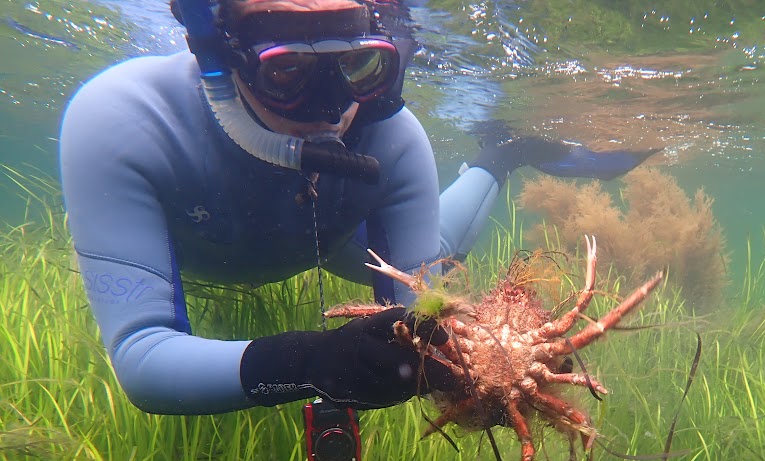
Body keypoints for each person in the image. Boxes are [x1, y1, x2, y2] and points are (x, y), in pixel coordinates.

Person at [59, 0, 656, 416]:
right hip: (197, 247)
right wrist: (308, 361)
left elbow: (422, 322)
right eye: (287, 70)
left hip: (338, 235)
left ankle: (501, 155)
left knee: (438, 262)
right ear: (222, 53)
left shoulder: (395, 140)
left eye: (357, 65)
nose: (331, 107)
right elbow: (143, 359)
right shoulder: (122, 120)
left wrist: (488, 368)